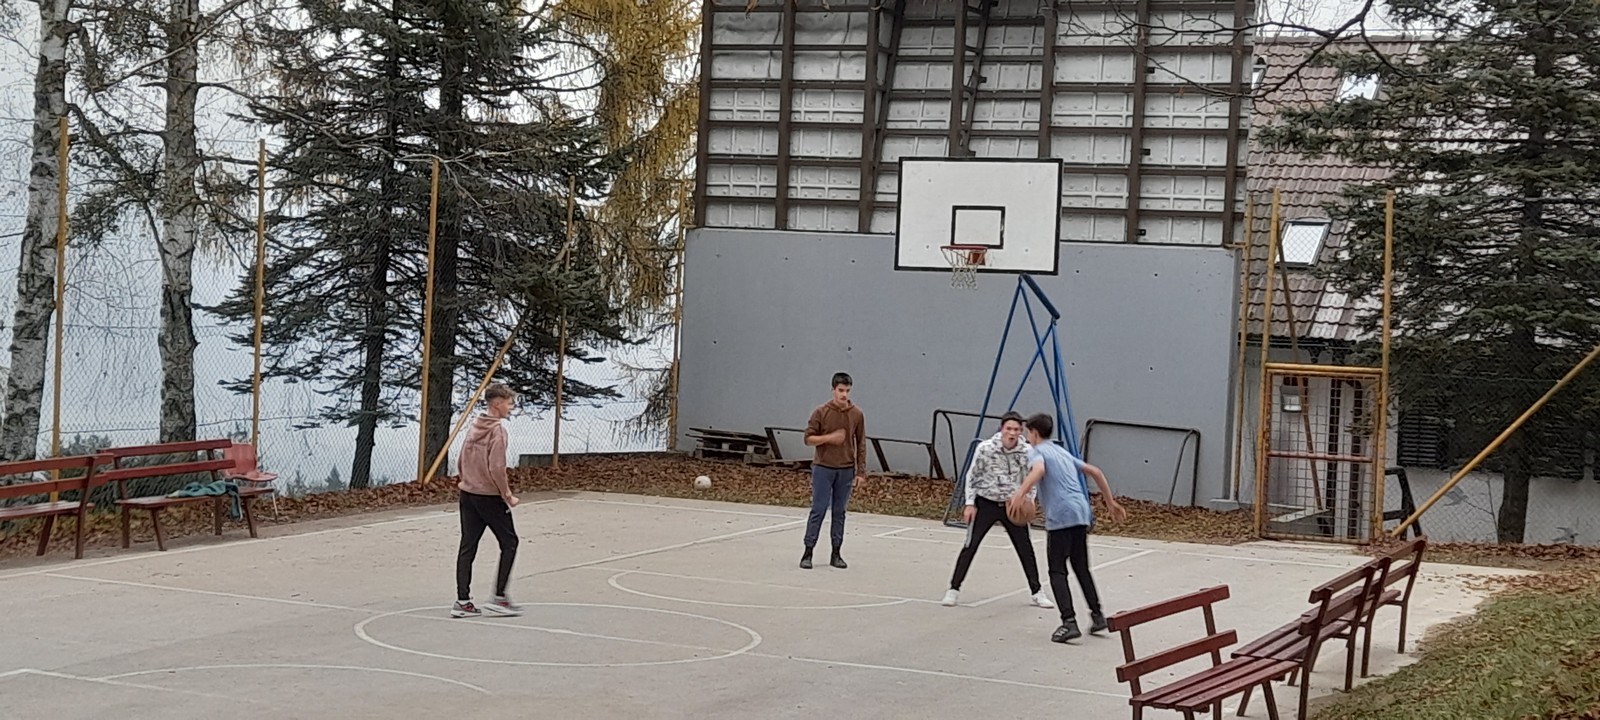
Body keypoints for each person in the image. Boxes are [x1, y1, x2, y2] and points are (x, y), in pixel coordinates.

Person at [1011, 412, 1128, 643]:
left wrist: (1019, 494)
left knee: (1057, 570)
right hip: (1081, 512)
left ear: (1034, 433)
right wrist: (1110, 502)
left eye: (1027, 432)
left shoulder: (1037, 451)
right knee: (1081, 566)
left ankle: (1069, 622)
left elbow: (1039, 471)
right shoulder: (1060, 451)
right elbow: (1095, 471)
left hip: (1061, 514)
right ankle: (1097, 615)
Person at [942, 411, 1052, 609]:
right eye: (1009, 428)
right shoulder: (985, 448)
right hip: (987, 503)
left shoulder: (1027, 451)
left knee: (1025, 548)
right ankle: (954, 589)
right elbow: (972, 475)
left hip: (1013, 505)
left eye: (1016, 429)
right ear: (1002, 429)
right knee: (971, 544)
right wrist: (970, 503)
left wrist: (1028, 500)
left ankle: (1037, 592)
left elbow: (1032, 478)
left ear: (1021, 431)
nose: (1012, 433)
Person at [452, 383, 523, 618]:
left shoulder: (474, 426)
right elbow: (497, 467)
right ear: (497, 403)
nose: (511, 407)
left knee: (468, 545)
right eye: (509, 403)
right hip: (489, 497)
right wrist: (507, 495)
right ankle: (499, 598)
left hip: (468, 494)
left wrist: (467, 480)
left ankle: (462, 601)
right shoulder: (497, 431)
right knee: (510, 542)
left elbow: (460, 460)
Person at [800, 372, 866, 570]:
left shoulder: (856, 414)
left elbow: (861, 443)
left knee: (839, 512)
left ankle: (836, 553)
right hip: (823, 468)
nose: (844, 394)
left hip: (845, 469)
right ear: (833, 390)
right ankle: (808, 551)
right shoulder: (821, 412)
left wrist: (861, 472)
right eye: (840, 390)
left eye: (847, 391)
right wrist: (829, 438)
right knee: (818, 509)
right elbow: (808, 439)